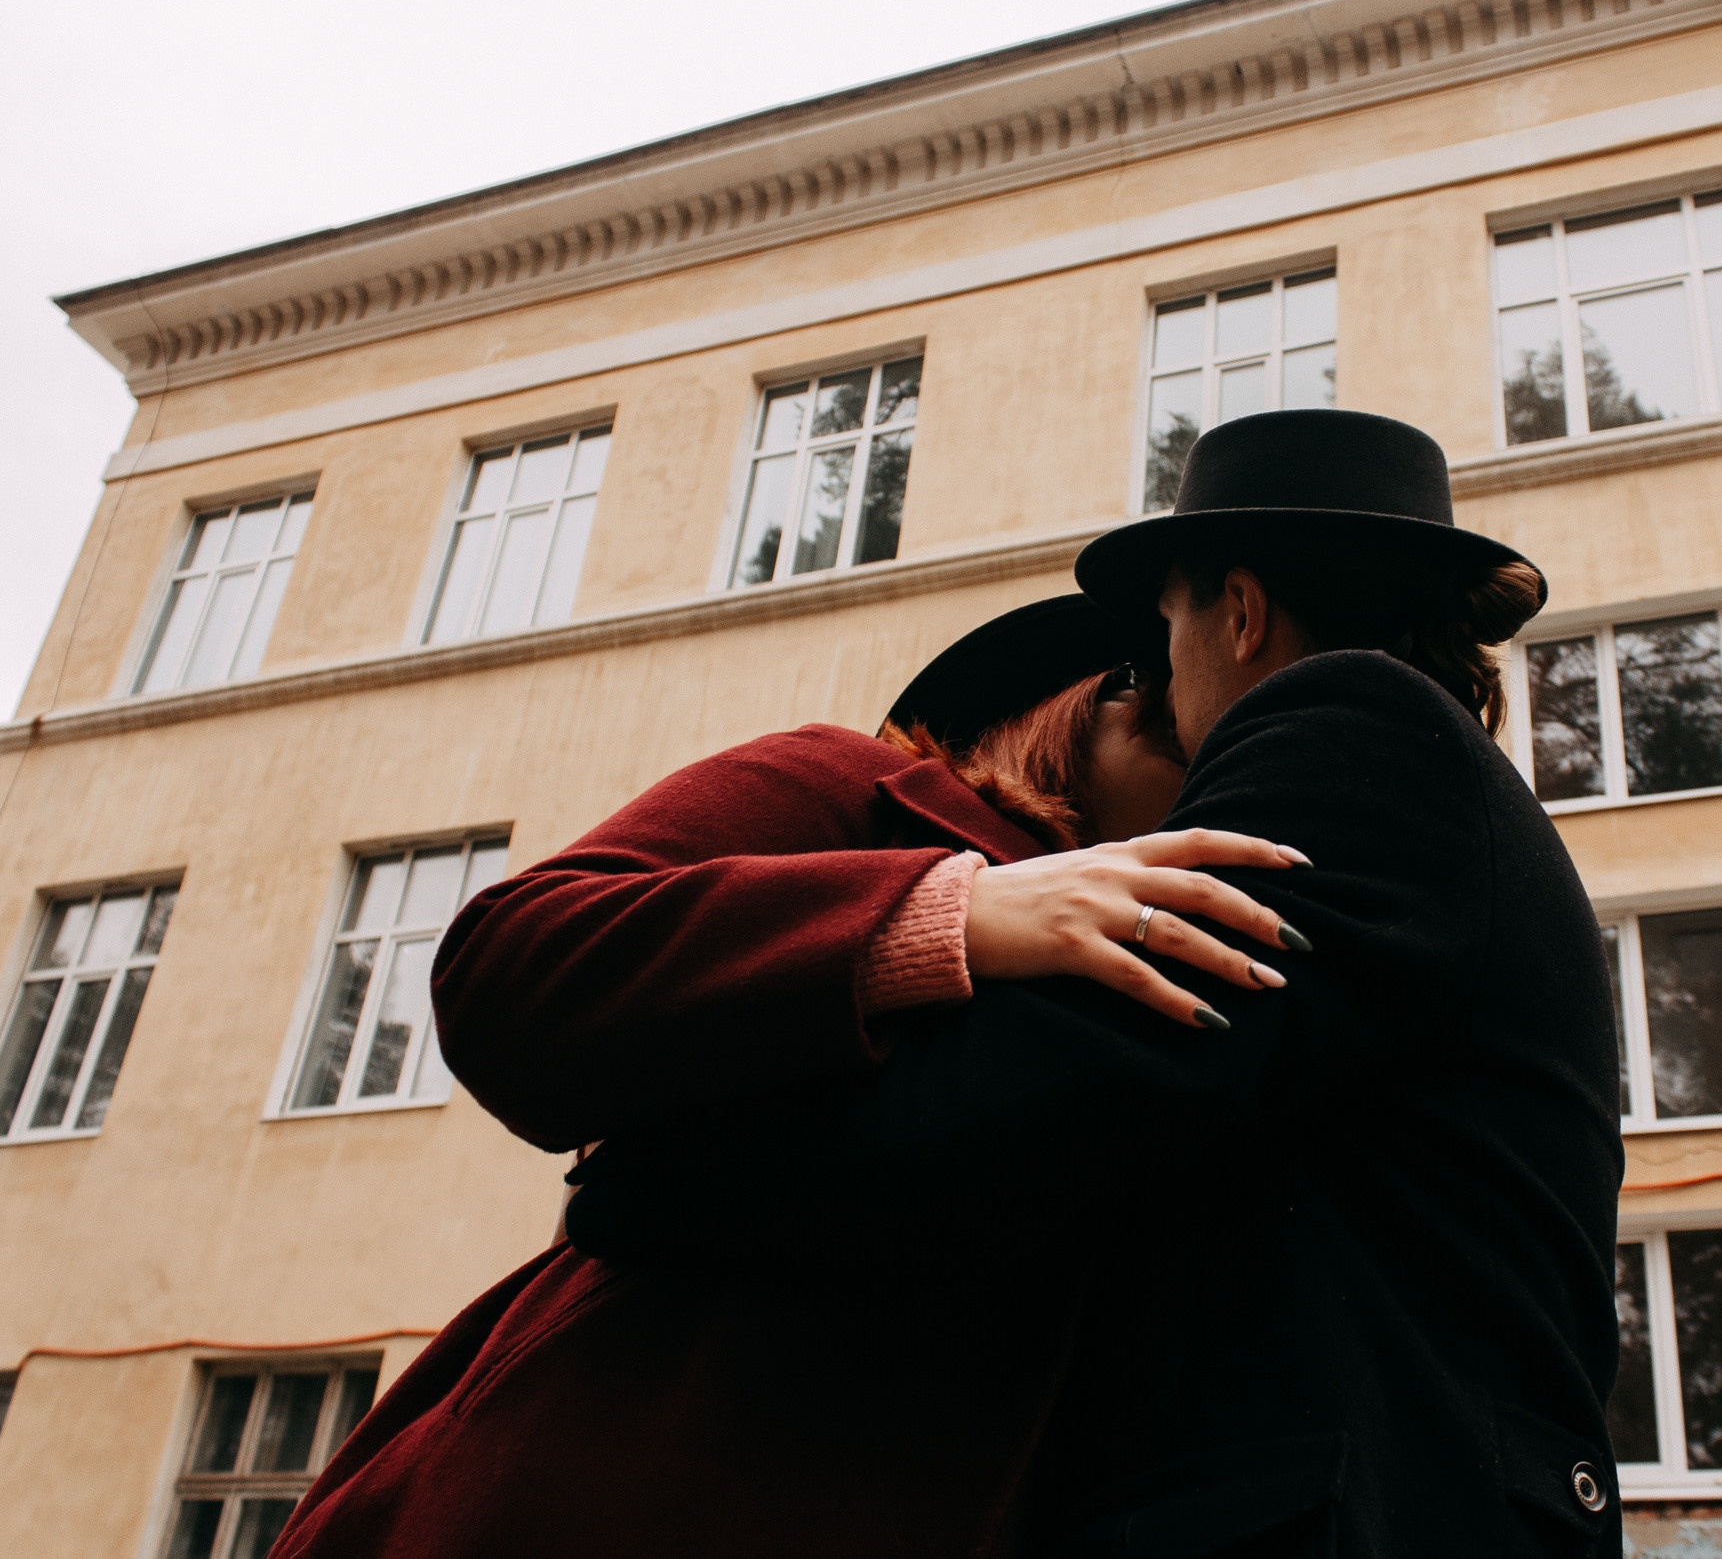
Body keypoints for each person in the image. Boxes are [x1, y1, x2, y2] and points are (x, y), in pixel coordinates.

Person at [569, 409, 1626, 1558]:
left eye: (1166, 628)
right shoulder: (1448, 799)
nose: (1164, 681)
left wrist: (649, 1181)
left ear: (1239, 611)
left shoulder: (1348, 729)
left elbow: (1043, 1089)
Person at [268, 595, 1306, 1559]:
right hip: (611, 1471)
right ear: (1063, 707)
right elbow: (509, 967)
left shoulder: (1231, 971)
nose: (1181, 710)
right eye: (1141, 684)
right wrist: (954, 913)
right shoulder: (856, 784)